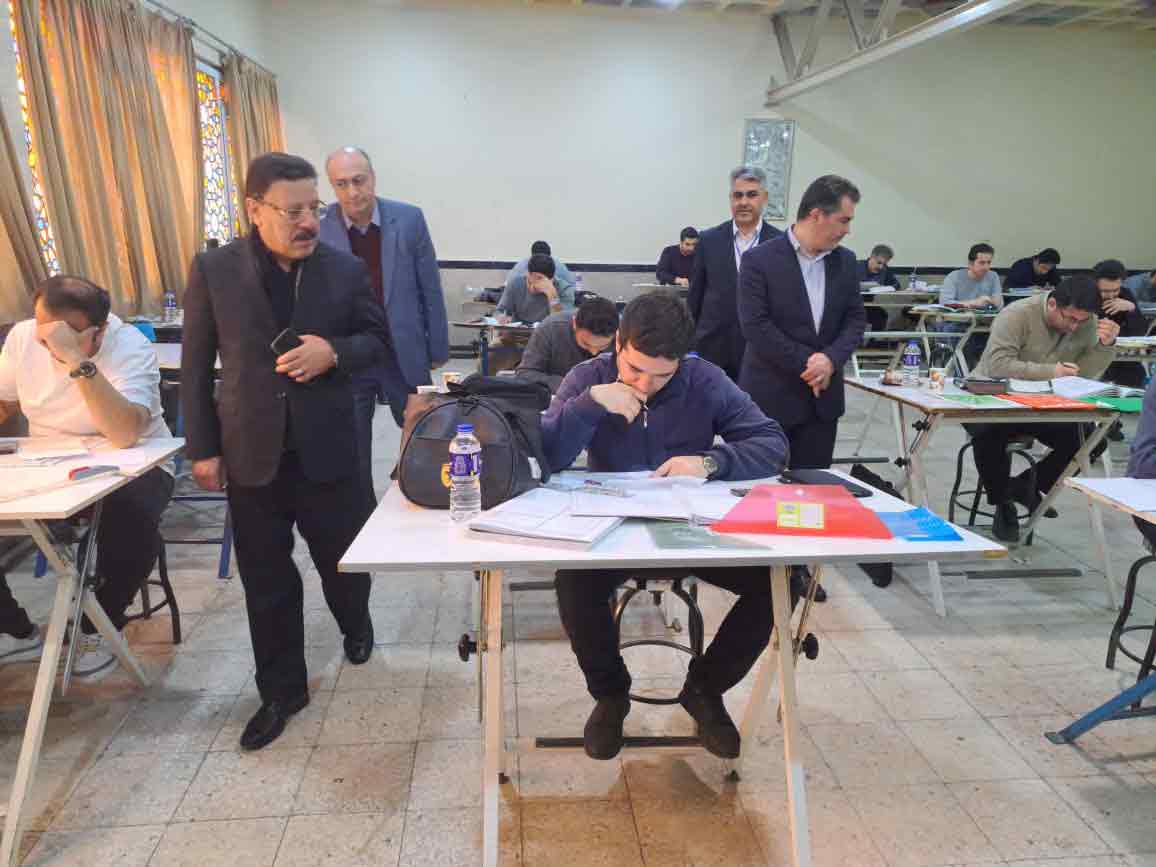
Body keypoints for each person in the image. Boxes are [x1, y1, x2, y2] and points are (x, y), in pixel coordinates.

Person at [182, 152, 388, 750]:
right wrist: (203, 448)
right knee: (266, 579)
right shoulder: (215, 269)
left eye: (313, 208)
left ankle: (355, 622)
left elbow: (378, 342)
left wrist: (334, 352)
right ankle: (281, 691)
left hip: (329, 447)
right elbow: (196, 365)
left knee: (343, 561)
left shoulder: (344, 269)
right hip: (251, 450)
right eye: (292, 211)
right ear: (255, 209)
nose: (308, 222)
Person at [542, 292, 789, 761]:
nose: (645, 385)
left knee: (780, 582)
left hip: (688, 530)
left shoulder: (705, 379)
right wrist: (590, 405)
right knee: (573, 582)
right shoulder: (588, 377)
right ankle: (611, 695)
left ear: (682, 360)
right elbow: (545, 456)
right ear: (618, 343)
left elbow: (771, 442)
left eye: (662, 375)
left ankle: (705, 688)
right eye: (634, 370)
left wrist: (711, 462)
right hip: (613, 530)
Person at [0, 275, 174, 676]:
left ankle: (100, 624)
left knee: (130, 521)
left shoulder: (129, 345)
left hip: (136, 460)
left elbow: (124, 433)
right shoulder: (23, 337)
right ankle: (15, 628)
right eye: (44, 332)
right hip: (49, 461)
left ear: (100, 329)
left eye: (63, 334)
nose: (49, 343)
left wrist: (76, 360)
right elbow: (6, 401)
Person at [738, 175, 886, 591]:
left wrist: (830, 360)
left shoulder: (845, 262)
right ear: (817, 214)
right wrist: (809, 362)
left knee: (813, 488)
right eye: (844, 220)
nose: (847, 230)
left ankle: (798, 568)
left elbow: (855, 320)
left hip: (822, 400)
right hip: (772, 393)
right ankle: (760, 569)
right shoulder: (760, 260)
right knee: (765, 485)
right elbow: (756, 326)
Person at [319, 147, 449, 502]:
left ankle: (420, 500)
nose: (352, 192)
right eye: (341, 184)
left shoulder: (408, 219)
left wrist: (437, 346)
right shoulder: (320, 226)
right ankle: (361, 515)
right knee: (352, 448)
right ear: (332, 186)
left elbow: (429, 286)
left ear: (373, 178)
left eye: (359, 180)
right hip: (350, 354)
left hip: (402, 349)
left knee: (424, 436)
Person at [967, 275, 1119, 542]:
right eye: (1070, 319)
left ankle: (1025, 486)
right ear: (1052, 304)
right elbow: (997, 366)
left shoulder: (1085, 322)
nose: (1074, 327)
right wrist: (1052, 372)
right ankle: (1002, 502)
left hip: (1041, 402)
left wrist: (1105, 347)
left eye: (1081, 321)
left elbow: (1084, 373)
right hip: (992, 395)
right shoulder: (1017, 315)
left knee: (1090, 439)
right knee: (989, 432)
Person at [687, 166, 782, 382]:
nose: (744, 202)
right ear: (731, 198)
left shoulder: (780, 243)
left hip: (760, 352)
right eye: (738, 195)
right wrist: (689, 346)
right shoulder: (709, 240)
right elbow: (695, 298)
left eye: (752, 194)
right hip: (712, 350)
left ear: (765, 198)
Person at [515, 297, 618, 393]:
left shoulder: (623, 336)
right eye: (585, 344)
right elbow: (525, 373)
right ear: (574, 324)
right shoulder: (551, 328)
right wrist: (566, 384)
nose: (594, 352)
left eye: (602, 347)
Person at [938, 243, 1003, 367]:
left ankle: (988, 373)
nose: (986, 267)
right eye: (982, 263)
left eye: (989, 263)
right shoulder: (954, 277)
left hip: (984, 323)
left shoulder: (993, 276)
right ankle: (960, 372)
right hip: (956, 322)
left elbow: (999, 304)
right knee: (954, 333)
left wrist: (992, 302)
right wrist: (974, 303)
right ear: (970, 263)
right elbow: (945, 303)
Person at [1094, 259, 1146, 389]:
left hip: (1122, 356)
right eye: (1105, 291)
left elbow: (1140, 331)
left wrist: (1131, 309)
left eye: (1115, 290)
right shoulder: (1086, 296)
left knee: (1136, 374)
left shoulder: (1125, 294)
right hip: (1095, 354)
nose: (1111, 296)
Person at [502, 241, 576, 311]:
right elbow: (502, 308)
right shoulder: (517, 278)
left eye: (539, 281)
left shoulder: (564, 288)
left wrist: (553, 296)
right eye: (531, 282)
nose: (534, 286)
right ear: (528, 274)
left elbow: (561, 318)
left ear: (552, 280)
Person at [858, 243, 900, 332]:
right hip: (850, 306)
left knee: (881, 315)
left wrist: (887, 288)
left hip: (867, 306)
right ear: (872, 257)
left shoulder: (884, 270)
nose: (881, 267)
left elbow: (896, 285)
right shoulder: (856, 266)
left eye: (884, 264)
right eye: (879, 263)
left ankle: (873, 341)